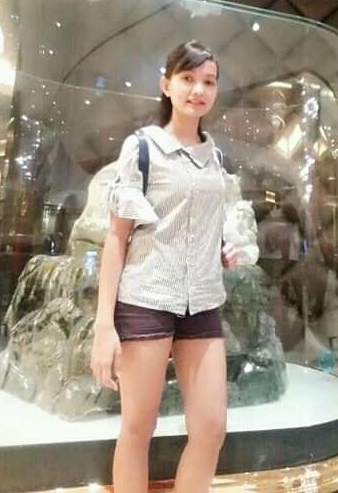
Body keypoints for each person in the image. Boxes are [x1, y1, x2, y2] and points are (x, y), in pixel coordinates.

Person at [90, 40, 237, 493]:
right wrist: (103, 327)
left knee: (211, 428)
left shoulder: (216, 158)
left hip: (203, 303)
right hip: (146, 299)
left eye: (208, 81)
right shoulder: (142, 148)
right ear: (166, 84)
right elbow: (117, 238)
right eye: (188, 78)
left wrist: (222, 248)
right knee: (138, 428)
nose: (198, 90)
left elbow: (208, 224)